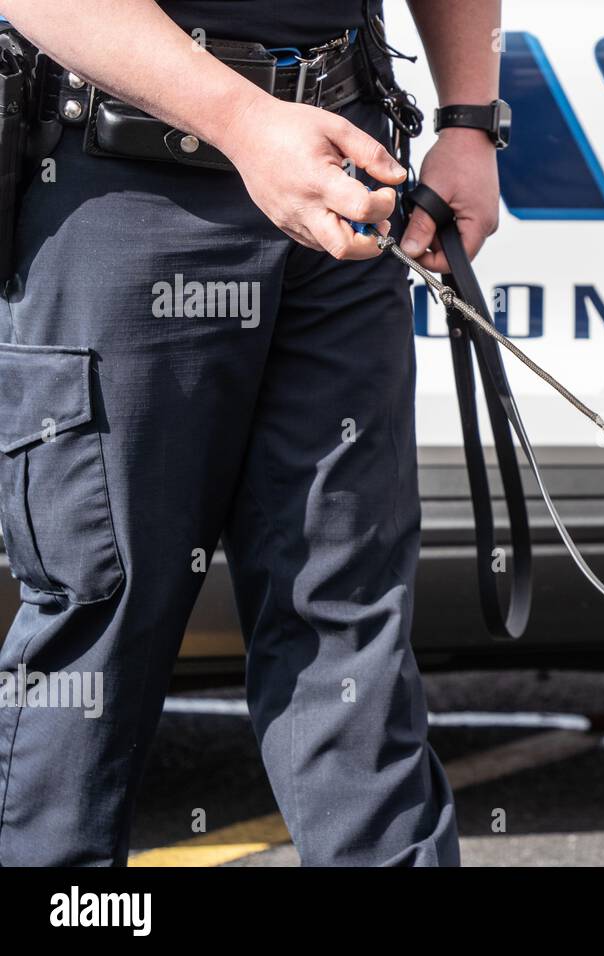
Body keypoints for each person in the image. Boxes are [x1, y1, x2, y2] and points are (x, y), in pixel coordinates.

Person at [0, 0, 504, 866]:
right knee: (100, 617)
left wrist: (468, 121)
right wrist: (243, 120)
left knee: (348, 614)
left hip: (342, 168)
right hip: (119, 174)